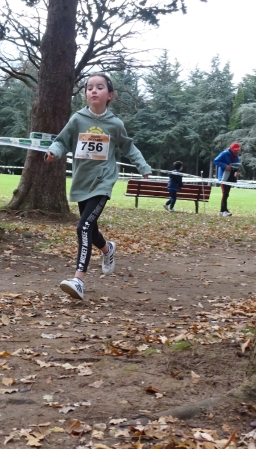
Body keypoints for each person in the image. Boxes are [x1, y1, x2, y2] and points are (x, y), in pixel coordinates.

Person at [45, 73, 152, 300]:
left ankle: (78, 280)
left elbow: (129, 147)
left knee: (83, 227)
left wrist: (143, 166)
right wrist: (53, 152)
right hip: (82, 182)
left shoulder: (115, 124)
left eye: (99, 87)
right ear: (85, 94)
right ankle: (107, 249)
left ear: (109, 95)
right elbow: (61, 141)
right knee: (90, 229)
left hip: (103, 183)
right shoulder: (77, 119)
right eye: (89, 87)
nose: (93, 90)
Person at [213, 142, 241, 216]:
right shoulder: (224, 153)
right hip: (223, 177)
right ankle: (223, 210)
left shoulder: (236, 156)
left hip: (231, 177)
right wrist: (225, 166)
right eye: (235, 150)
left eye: (238, 150)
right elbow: (216, 161)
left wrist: (238, 171)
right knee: (225, 193)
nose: (237, 151)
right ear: (231, 149)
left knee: (227, 193)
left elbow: (237, 165)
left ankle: (223, 210)